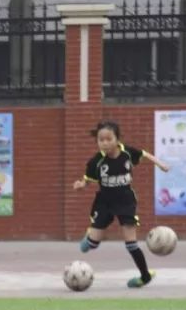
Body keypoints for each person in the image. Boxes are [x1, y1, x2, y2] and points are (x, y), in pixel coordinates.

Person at [72, 120, 169, 288]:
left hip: (125, 201)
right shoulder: (96, 162)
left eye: (109, 139)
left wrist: (160, 164)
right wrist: (81, 185)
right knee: (91, 245)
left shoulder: (127, 153)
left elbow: (144, 154)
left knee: (131, 243)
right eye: (101, 140)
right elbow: (88, 180)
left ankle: (144, 276)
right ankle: (90, 238)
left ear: (117, 139)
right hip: (104, 202)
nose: (105, 143)